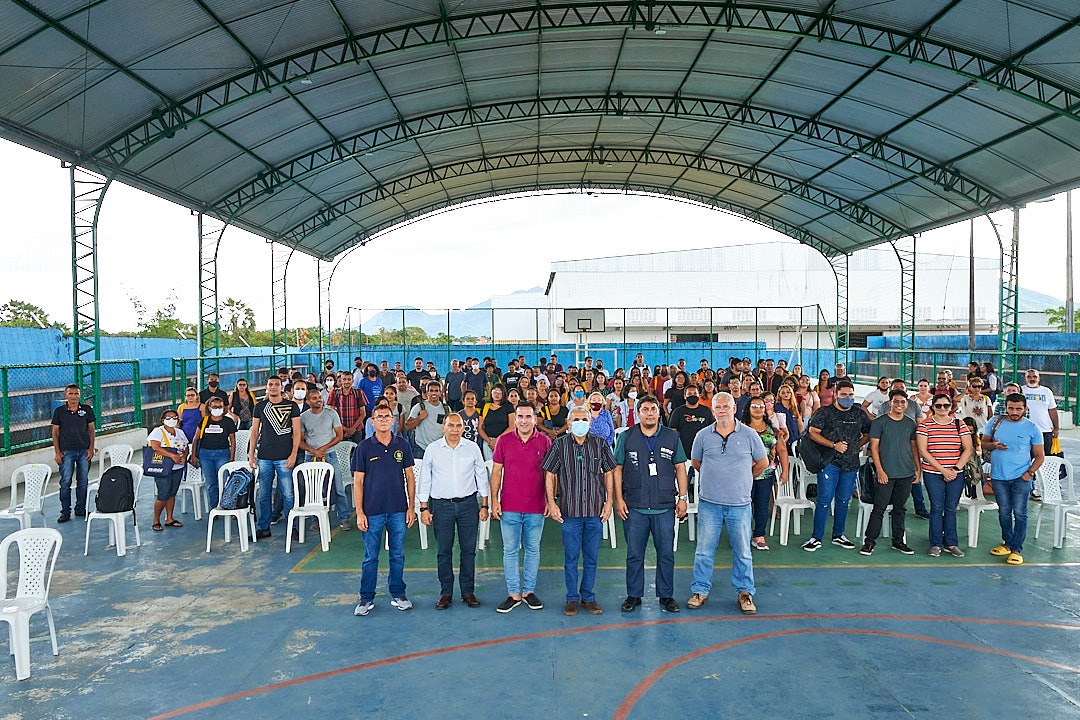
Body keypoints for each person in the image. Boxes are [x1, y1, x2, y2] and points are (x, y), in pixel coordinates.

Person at [687, 392, 767, 615]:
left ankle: (745, 592)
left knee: (742, 551)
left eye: (726, 406)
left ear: (734, 409)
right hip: (709, 503)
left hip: (739, 505)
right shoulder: (703, 436)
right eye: (718, 406)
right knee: (704, 550)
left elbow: (762, 462)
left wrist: (743, 479)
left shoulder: (750, 435)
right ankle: (700, 590)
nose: (722, 409)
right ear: (713, 410)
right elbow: (696, 462)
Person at [613, 395, 688, 613]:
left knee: (666, 553)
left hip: (664, 506)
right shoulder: (627, 437)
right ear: (638, 413)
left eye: (653, 409)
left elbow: (680, 468)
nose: (649, 413)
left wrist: (683, 498)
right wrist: (619, 499)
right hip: (635, 506)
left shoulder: (671, 437)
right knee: (634, 554)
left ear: (658, 412)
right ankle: (633, 595)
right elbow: (617, 469)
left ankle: (666, 595)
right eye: (644, 409)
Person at [543, 407, 616, 617]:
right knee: (571, 558)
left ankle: (589, 597)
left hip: (594, 511)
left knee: (592, 558)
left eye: (584, 419)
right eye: (576, 419)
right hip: (570, 513)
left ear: (590, 422)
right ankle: (572, 598)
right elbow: (549, 473)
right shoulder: (560, 444)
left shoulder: (600, 444)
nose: (581, 422)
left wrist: (609, 501)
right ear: (568, 422)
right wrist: (552, 502)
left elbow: (609, 472)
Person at [417, 414, 490, 609]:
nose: (455, 429)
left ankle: (468, 592)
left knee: (468, 551)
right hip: (441, 507)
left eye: (459, 426)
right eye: (451, 425)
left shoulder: (472, 448)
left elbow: (481, 476)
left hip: (468, 505)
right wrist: (424, 508)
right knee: (443, 551)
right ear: (444, 427)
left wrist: (484, 505)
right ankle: (446, 593)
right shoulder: (432, 450)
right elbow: (425, 479)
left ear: (463, 428)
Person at [352, 405, 417, 616]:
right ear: (372, 422)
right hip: (372, 512)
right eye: (378, 417)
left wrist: (411, 507)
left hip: (398, 510)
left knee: (397, 555)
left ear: (393, 421)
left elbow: (409, 477)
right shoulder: (363, 448)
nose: (382, 420)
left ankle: (398, 594)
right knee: (370, 557)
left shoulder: (403, 445)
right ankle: (366, 598)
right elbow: (358, 482)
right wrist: (360, 512)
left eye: (387, 416)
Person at [490, 402, 553, 613]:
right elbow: (497, 472)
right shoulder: (503, 441)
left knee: (533, 550)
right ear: (515, 419)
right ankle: (513, 593)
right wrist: (494, 500)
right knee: (510, 550)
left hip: (536, 507)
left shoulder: (545, 442)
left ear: (535, 419)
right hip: (509, 507)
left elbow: (549, 475)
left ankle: (528, 591)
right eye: (520, 416)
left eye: (528, 416)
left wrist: (550, 500)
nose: (524, 420)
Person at [801, 381, 871, 552]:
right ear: (835, 394)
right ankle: (816, 537)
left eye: (851, 395)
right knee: (824, 500)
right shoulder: (824, 413)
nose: (848, 398)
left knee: (843, 501)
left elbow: (868, 433)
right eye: (843, 394)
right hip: (829, 463)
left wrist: (857, 445)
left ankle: (838, 535)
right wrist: (833, 445)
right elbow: (813, 432)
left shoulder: (859, 414)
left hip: (851, 464)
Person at [982, 393, 1045, 566]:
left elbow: (1040, 456)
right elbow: (983, 443)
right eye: (1011, 408)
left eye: (1019, 409)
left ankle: (1017, 549)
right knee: (1004, 512)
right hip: (998, 477)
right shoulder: (995, 422)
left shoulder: (1032, 428)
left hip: (1021, 478)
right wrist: (993, 445)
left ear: (1026, 409)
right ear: (1006, 408)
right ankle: (1007, 543)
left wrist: (1029, 473)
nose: (1014, 412)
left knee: (1020, 513)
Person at [861, 390, 920, 555]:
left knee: (900, 509)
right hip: (886, 474)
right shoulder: (880, 422)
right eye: (896, 401)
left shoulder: (910, 423)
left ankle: (898, 541)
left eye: (902, 402)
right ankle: (869, 542)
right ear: (890, 403)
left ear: (907, 404)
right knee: (879, 508)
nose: (899, 405)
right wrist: (880, 470)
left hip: (906, 473)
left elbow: (914, 447)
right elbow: (873, 448)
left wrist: (918, 469)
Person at [917, 393, 974, 558]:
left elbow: (968, 449)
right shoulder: (925, 425)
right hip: (933, 473)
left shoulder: (959, 424)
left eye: (946, 406)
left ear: (951, 407)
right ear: (932, 407)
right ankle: (935, 543)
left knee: (951, 508)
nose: (942, 409)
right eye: (938, 405)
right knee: (936, 507)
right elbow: (923, 451)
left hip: (956, 473)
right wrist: (943, 470)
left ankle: (951, 543)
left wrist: (955, 469)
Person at [248, 375, 302, 540]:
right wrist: (251, 454)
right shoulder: (260, 406)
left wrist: (293, 454)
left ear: (281, 387)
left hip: (285, 457)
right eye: (270, 384)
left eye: (276, 384)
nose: (273, 387)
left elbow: (297, 432)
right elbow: (255, 431)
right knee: (264, 494)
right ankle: (264, 527)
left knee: (288, 494)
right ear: (267, 387)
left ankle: (290, 527)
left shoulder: (291, 406)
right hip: (264, 457)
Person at [743, 397, 787, 552]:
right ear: (748, 408)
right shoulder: (740, 428)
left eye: (761, 406)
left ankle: (759, 536)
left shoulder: (773, 430)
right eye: (754, 406)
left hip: (766, 475)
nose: (757, 409)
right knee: (743, 506)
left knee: (762, 506)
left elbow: (781, 450)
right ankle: (742, 535)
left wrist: (785, 471)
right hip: (743, 476)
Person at [299, 390, 349, 530]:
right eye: (314, 398)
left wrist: (324, 448)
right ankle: (316, 519)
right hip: (311, 457)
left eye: (319, 397)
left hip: (330, 455)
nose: (319, 400)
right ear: (308, 401)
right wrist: (314, 451)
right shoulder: (303, 417)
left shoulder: (331, 414)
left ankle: (344, 517)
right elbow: (299, 440)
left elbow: (339, 435)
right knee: (313, 489)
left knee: (338, 487)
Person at [51, 383, 96, 522]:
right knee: (65, 482)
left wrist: (91, 448)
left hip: (84, 452)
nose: (73, 396)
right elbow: (55, 433)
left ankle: (80, 509)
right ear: (65, 395)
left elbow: (91, 430)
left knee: (83, 482)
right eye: (70, 394)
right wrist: (57, 453)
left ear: (80, 395)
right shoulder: (59, 412)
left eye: (76, 393)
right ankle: (65, 511)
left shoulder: (87, 410)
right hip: (66, 452)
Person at [148, 409, 189, 532]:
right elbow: (155, 447)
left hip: (178, 467)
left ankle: (169, 518)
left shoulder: (180, 432)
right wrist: (172, 456)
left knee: (172, 493)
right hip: (163, 467)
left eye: (174, 417)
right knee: (163, 494)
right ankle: (156, 520)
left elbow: (185, 446)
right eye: (168, 418)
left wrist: (184, 457)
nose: (172, 420)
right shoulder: (157, 432)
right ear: (163, 420)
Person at [192, 396, 236, 508]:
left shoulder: (228, 421)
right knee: (211, 482)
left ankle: (226, 504)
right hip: (205, 455)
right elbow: (196, 438)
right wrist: (193, 456)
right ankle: (214, 506)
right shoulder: (204, 420)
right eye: (214, 407)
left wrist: (231, 458)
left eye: (220, 406)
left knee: (225, 480)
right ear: (209, 408)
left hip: (222, 454)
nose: (217, 409)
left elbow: (233, 441)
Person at [1022, 368, 1060, 453]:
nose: (1032, 379)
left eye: (1034, 377)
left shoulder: (1046, 391)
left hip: (1044, 430)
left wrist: (1056, 428)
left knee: (1045, 458)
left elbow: (1052, 411)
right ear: (1025, 379)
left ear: (1038, 379)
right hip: (1025, 431)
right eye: (1029, 377)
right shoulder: (1021, 391)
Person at [327, 371, 367, 443]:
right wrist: (345, 429)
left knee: (357, 451)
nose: (346, 381)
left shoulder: (358, 392)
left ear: (353, 381)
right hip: (340, 429)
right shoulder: (334, 393)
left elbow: (363, 413)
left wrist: (352, 429)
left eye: (349, 379)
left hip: (356, 429)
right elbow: (331, 415)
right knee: (341, 452)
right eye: (344, 379)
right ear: (340, 380)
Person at [479, 385, 513, 458]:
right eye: (494, 392)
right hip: (488, 442)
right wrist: (489, 441)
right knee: (489, 465)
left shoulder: (508, 406)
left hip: (504, 440)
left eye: (499, 392)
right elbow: (480, 427)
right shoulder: (485, 406)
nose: (496, 394)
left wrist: (497, 440)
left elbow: (512, 426)